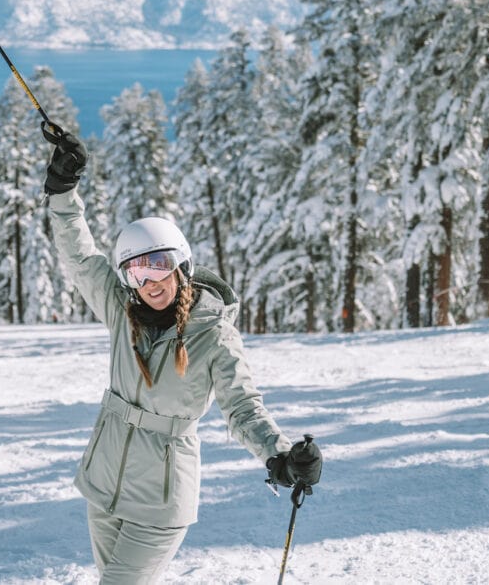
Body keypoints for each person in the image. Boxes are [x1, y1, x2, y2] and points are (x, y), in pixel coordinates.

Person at [44, 132, 323, 584]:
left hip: (160, 499)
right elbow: (79, 256)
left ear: (182, 265)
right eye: (137, 270)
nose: (150, 281)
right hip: (103, 485)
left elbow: (244, 407)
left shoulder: (213, 333)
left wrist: (280, 456)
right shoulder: (120, 308)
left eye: (159, 264)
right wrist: (63, 191)